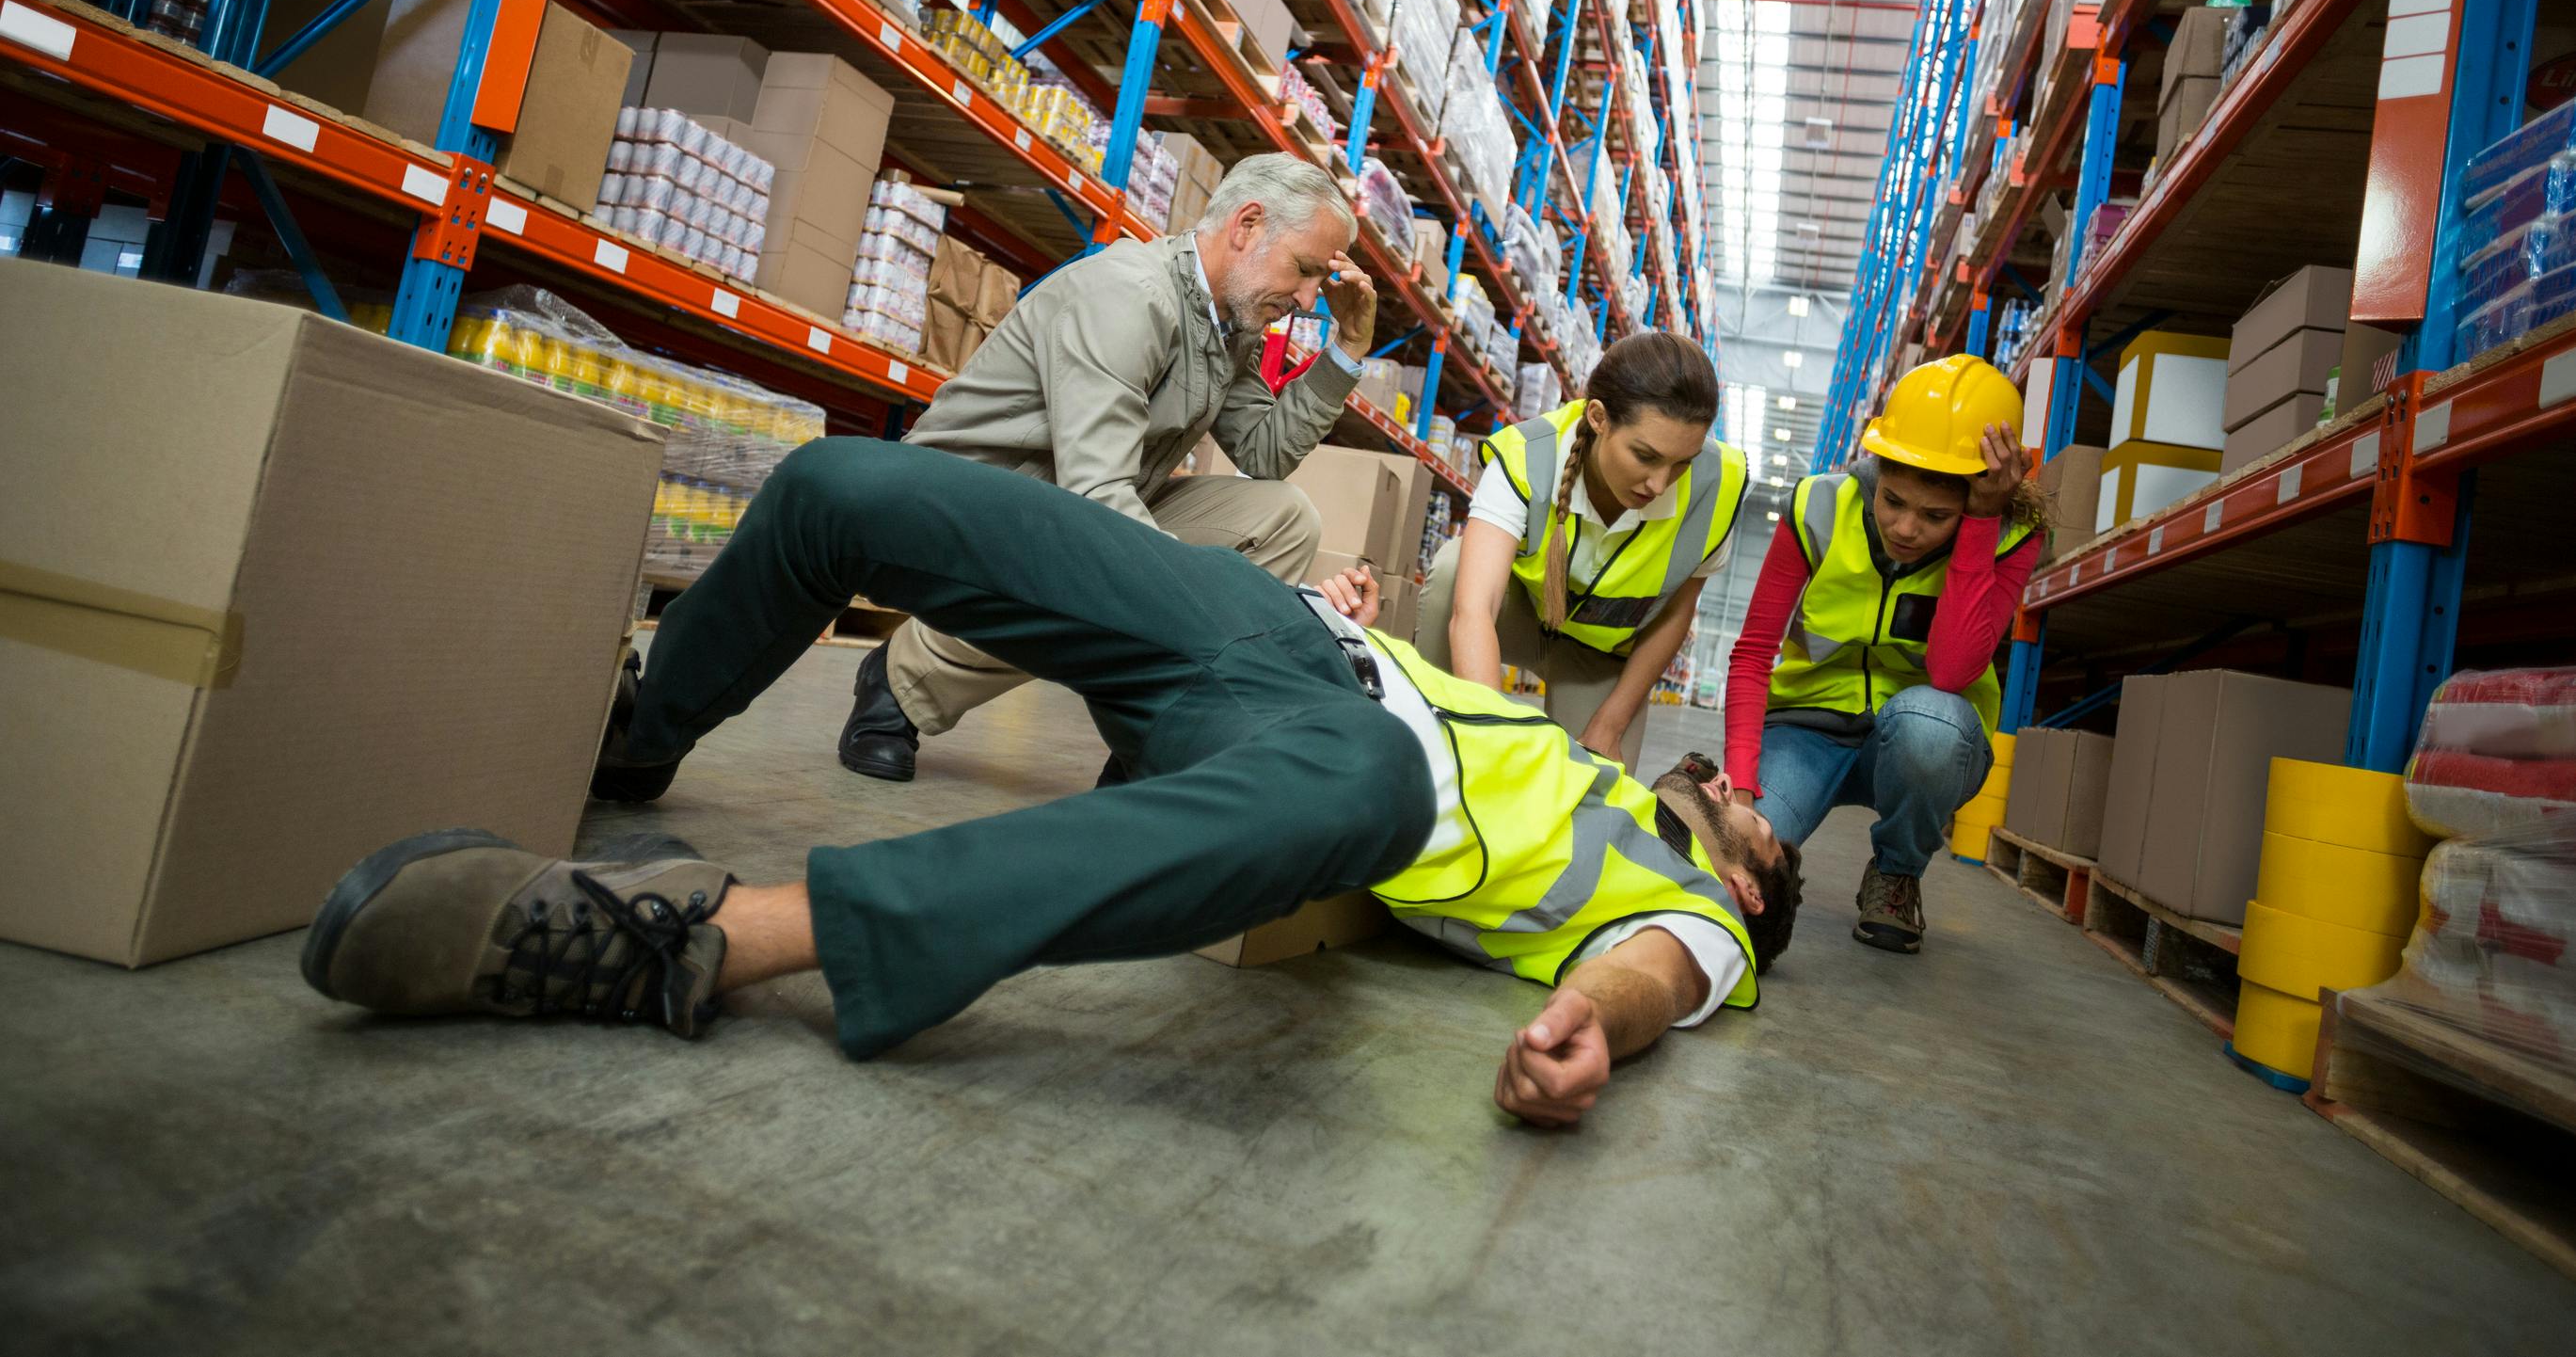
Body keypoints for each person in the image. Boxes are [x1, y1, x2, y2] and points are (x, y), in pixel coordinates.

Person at [301, 437, 1804, 1125]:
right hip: (1271, 632)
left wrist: (1589, 1029)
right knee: (842, 488)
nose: (1741, 791)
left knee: (1370, 784)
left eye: (1759, 823)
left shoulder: (1691, 912)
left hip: (1323, 758)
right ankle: (636, 741)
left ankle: (691, 940)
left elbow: (1650, 980)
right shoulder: (1586, 763)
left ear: (1749, 878)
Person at [812, 151, 1375, 788]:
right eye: (1304, 270)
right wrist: (1205, 602)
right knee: (1117, 570)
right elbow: (1098, 496)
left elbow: (1264, 455)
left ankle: (1165, 730)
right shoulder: (1130, 295)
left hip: (1068, 505)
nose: (1308, 299)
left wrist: (1348, 349)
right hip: (964, 509)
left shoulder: (1228, 322)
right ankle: (902, 679)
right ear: (1246, 226)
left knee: (1282, 518)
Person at [1724, 354, 2043, 955]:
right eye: (1892, 500)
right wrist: (1741, 788)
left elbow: (1952, 670)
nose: (1905, 528)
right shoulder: (1818, 507)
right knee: (1740, 865)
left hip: (1927, 739)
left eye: (1935, 516)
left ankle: (1896, 874)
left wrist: (1978, 525)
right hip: (1806, 730)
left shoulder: (2010, 537)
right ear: (1877, 466)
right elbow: (1754, 652)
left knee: (1930, 725)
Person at [1416, 332, 1748, 770]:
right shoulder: (1529, 455)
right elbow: (1475, 608)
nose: (1659, 484)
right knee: (1453, 568)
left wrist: (1610, 724)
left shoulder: (1718, 486)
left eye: (1681, 463)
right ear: (1598, 418)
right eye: (1645, 456)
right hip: (1521, 618)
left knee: (1594, 790)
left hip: (1602, 658)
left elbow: (1676, 614)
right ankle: (1433, 733)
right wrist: (1490, 735)